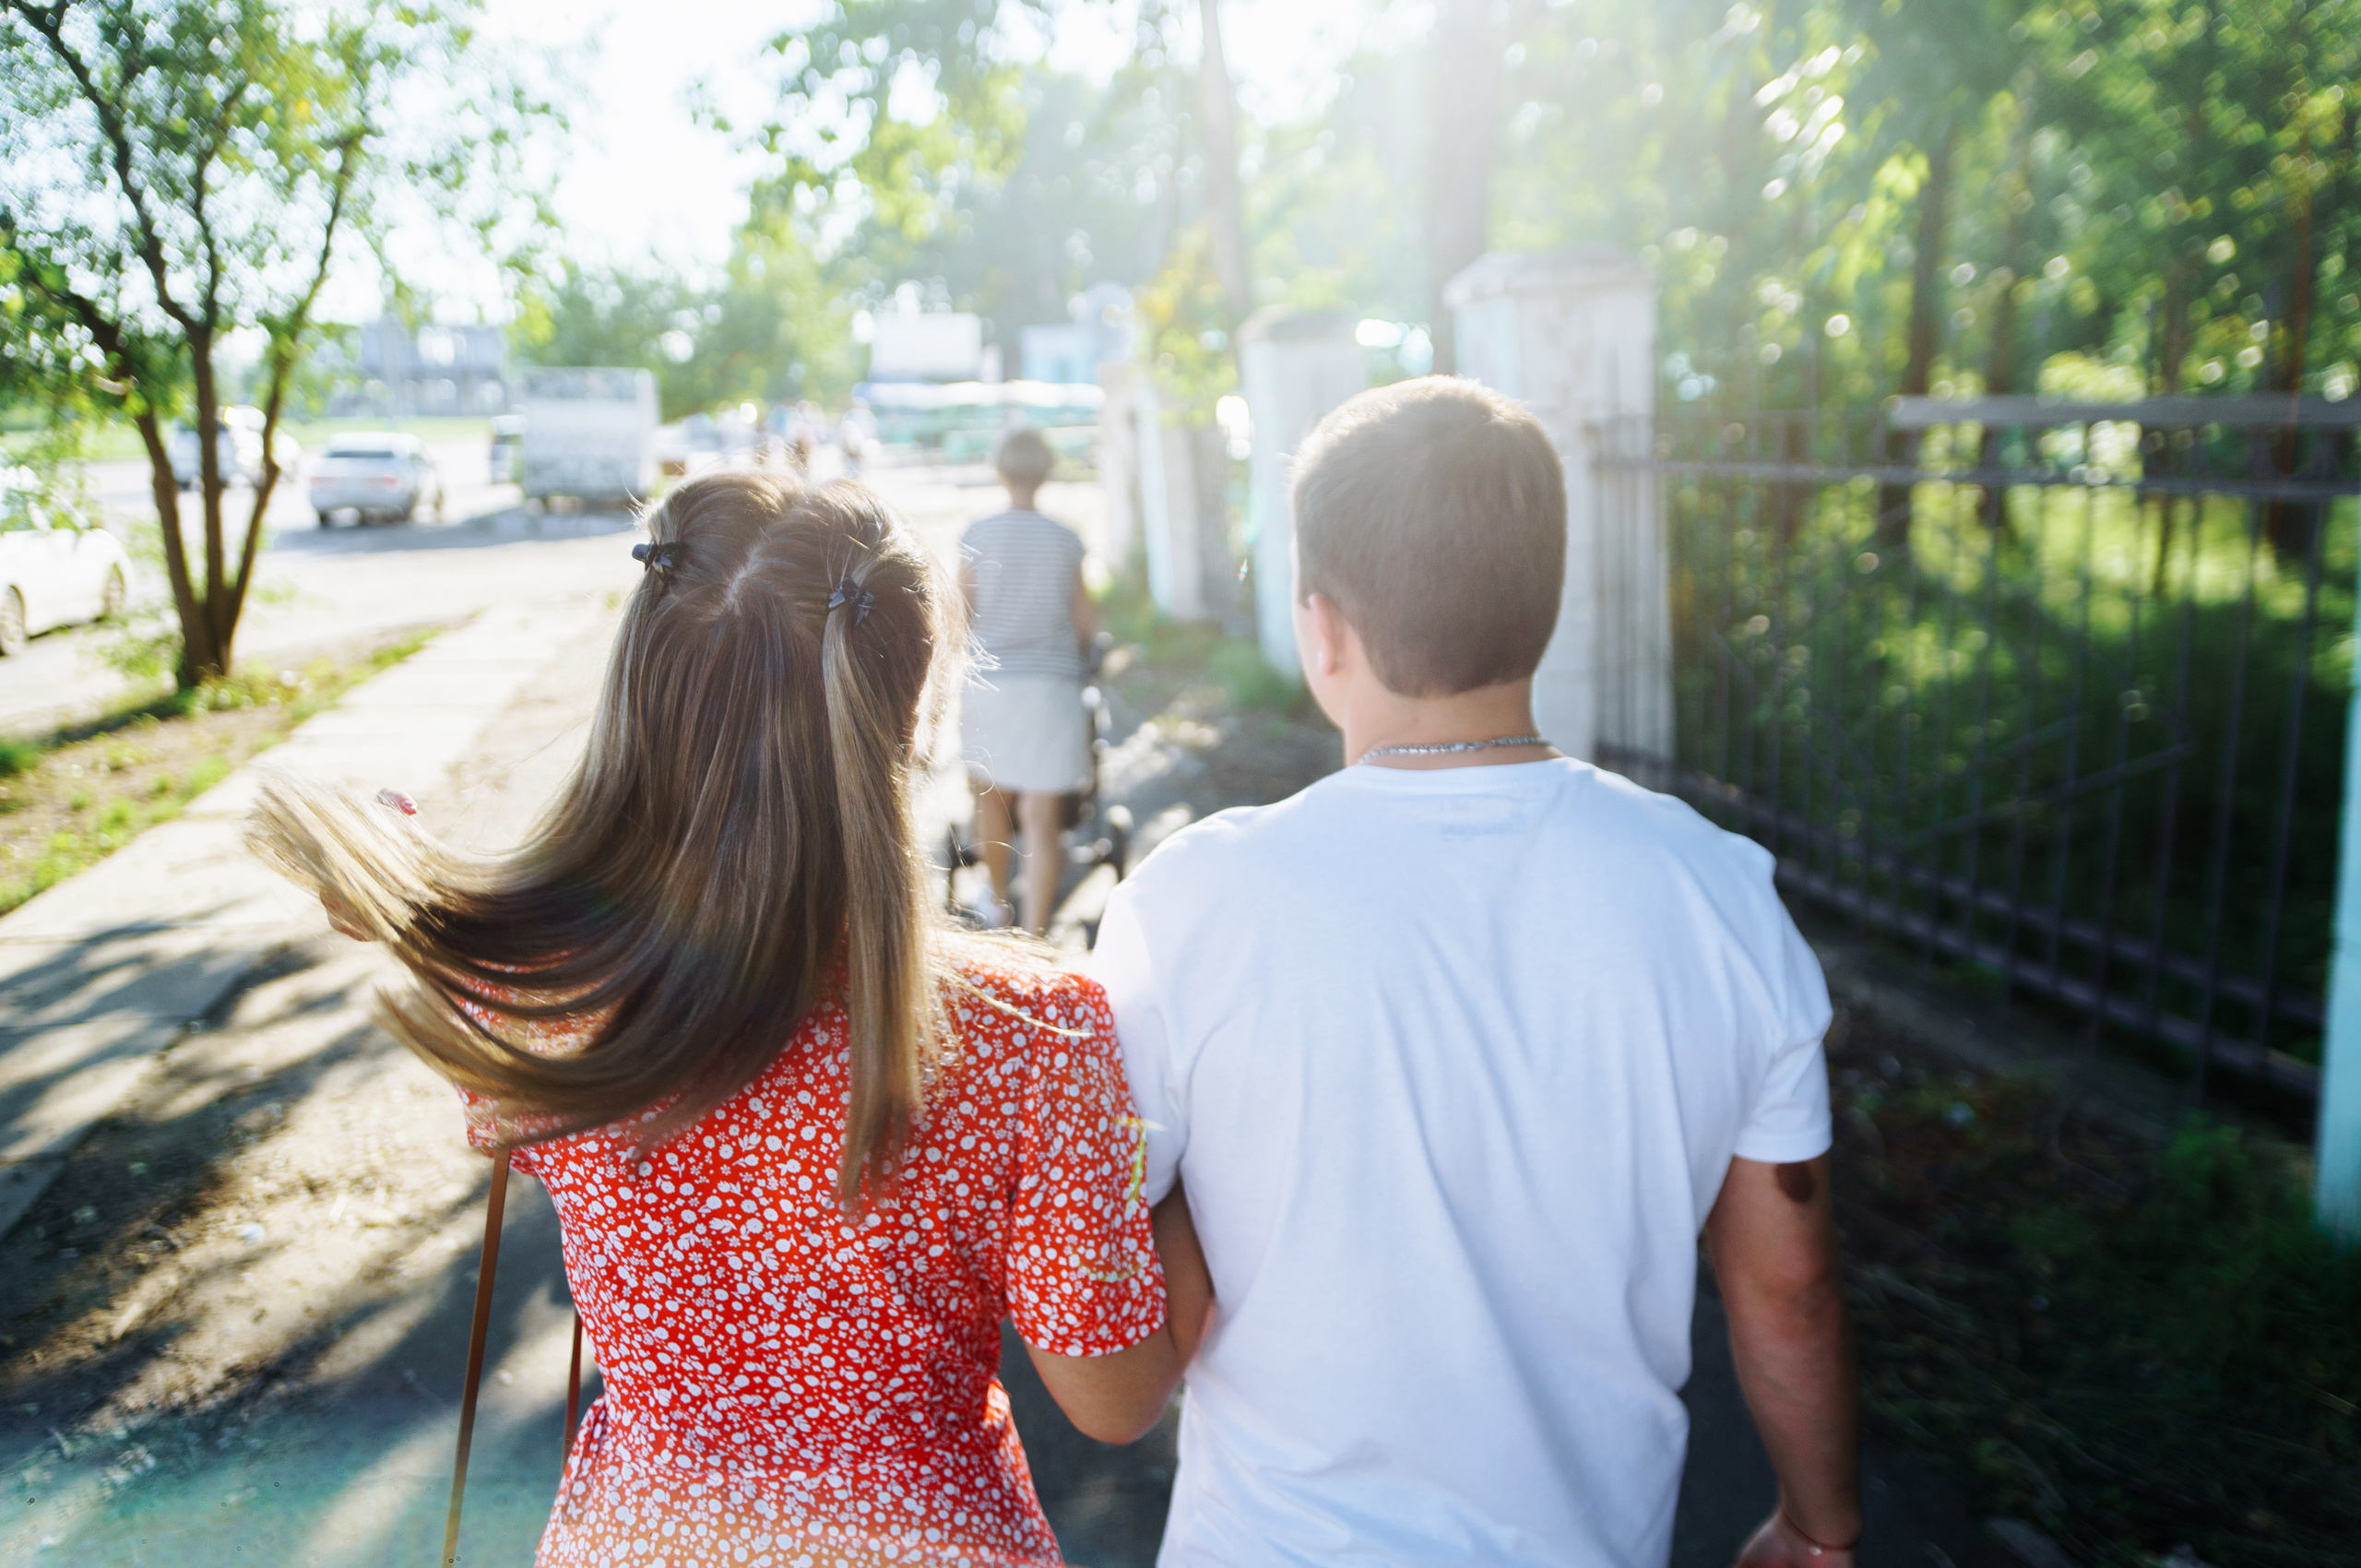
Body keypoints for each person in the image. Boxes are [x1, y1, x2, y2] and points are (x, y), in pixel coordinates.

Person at [248, 470, 1210, 1568]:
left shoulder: (533, 988)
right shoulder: (1036, 1034)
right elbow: (1113, 1399)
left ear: (638, 689)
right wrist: (1191, 1179)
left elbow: (378, 854)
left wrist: (412, 878)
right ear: (913, 706)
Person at [1089, 377, 1859, 1568]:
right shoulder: (1718, 894)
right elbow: (1787, 1279)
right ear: (1543, 605)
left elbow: (1114, 1280)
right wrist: (1819, 1518)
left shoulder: (1191, 901)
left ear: (1321, 625)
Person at [959, 428, 1093, 936]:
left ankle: (998, 903)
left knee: (990, 797)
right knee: (1041, 813)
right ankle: (1035, 936)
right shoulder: (1066, 538)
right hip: (1051, 689)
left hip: (992, 685)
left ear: (1000, 472)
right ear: (1046, 472)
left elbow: (960, 610)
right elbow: (1083, 622)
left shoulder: (978, 534)